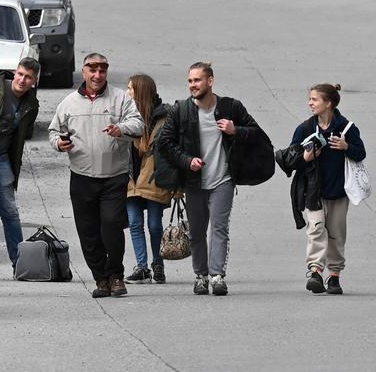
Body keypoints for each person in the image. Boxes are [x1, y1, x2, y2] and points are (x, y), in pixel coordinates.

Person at [158, 61, 264, 296]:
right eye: (190, 81)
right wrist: (187, 161)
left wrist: (236, 130)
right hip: (194, 181)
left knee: (219, 227)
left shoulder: (231, 107)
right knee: (196, 231)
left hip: (223, 179)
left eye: (197, 80)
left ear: (210, 81)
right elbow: (164, 142)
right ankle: (201, 276)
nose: (193, 85)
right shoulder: (181, 110)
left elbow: (257, 133)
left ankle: (217, 276)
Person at [48, 53, 144, 298]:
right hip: (81, 176)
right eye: (93, 70)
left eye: (102, 71)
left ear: (107, 72)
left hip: (114, 175)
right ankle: (100, 278)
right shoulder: (69, 103)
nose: (97, 75)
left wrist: (120, 128)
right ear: (84, 72)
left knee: (111, 225)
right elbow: (53, 132)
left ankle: (116, 276)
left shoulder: (121, 99)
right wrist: (59, 143)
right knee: (88, 231)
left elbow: (138, 125)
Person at [289, 84, 365, 295]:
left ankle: (334, 277)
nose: (310, 103)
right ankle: (315, 271)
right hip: (314, 191)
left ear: (328, 103)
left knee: (336, 235)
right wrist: (305, 157)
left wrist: (346, 147)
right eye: (310, 99)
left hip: (339, 192)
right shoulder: (304, 128)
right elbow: (291, 157)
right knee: (316, 229)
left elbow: (361, 153)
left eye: (314, 99)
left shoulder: (347, 128)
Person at [0, 57, 40, 268]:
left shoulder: (31, 104)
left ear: (34, 81)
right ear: (15, 72)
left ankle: (19, 262)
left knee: (10, 212)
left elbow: (22, 134)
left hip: (1, 158)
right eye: (20, 74)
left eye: (28, 77)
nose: (22, 80)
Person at [124, 74, 172, 284]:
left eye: (130, 89)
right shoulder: (126, 115)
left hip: (154, 179)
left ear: (140, 92)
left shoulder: (163, 118)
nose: (126, 93)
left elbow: (172, 150)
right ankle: (142, 267)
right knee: (134, 223)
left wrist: (177, 184)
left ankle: (157, 263)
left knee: (154, 225)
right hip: (131, 178)